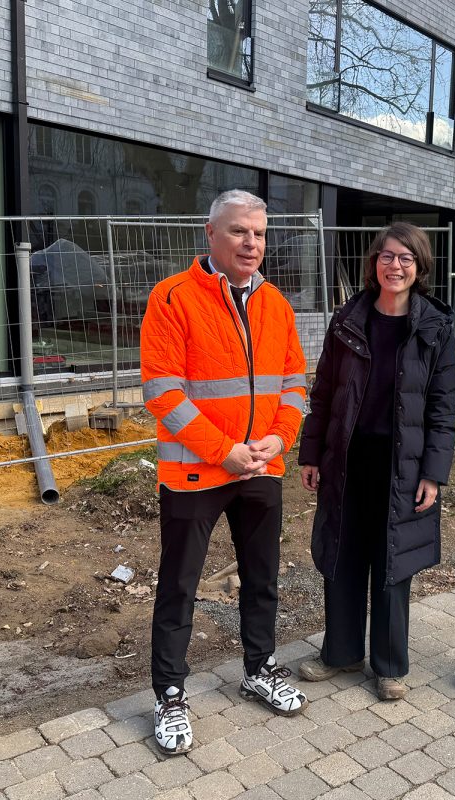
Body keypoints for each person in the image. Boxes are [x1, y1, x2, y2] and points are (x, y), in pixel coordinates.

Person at [140, 189, 310, 755]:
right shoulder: (171, 299)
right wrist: (222, 450)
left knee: (262, 577)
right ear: (210, 233)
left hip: (261, 466)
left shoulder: (276, 305)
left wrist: (277, 438)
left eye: (259, 233)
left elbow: (293, 383)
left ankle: (259, 666)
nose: (251, 243)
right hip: (196, 474)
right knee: (180, 586)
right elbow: (163, 392)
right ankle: (169, 694)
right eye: (239, 231)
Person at [296, 222, 455, 701]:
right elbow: (323, 391)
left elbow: (443, 406)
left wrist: (433, 472)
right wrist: (311, 451)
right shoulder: (348, 319)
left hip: (402, 463)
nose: (396, 266)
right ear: (374, 263)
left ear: (419, 267)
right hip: (348, 457)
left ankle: (389, 665)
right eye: (387, 256)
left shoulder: (434, 327)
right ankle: (340, 653)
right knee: (342, 555)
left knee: (392, 562)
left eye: (406, 258)